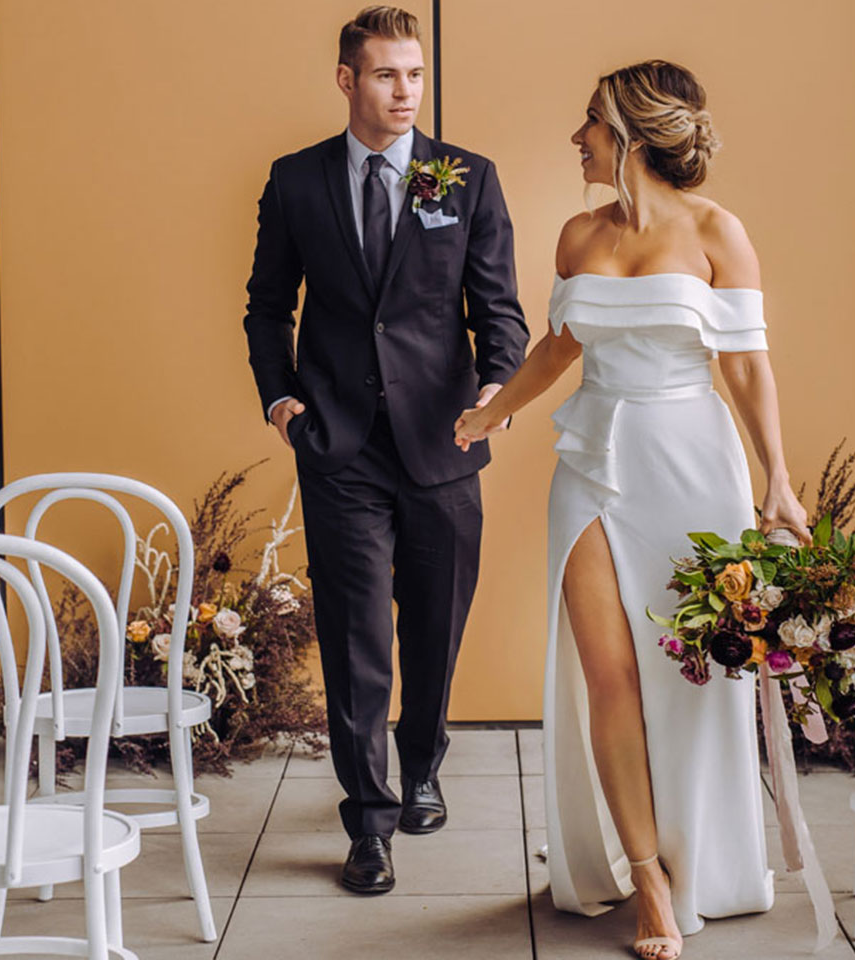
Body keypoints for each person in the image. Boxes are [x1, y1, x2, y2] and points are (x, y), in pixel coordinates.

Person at [454, 60, 810, 960]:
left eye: (590, 124)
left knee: (691, 680)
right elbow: (562, 344)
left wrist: (777, 478)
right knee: (606, 673)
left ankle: (704, 859)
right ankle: (647, 879)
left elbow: (746, 365)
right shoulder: (578, 234)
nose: (577, 138)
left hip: (695, 467)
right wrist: (496, 409)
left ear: (631, 134)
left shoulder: (718, 232)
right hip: (590, 467)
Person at [242, 5, 529, 895]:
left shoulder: (464, 177)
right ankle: (368, 824)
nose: (404, 92)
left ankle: (422, 764)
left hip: (446, 442)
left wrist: (498, 393)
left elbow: (500, 311)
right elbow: (265, 305)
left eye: (414, 75)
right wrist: (284, 402)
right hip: (340, 449)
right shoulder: (296, 181)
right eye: (384, 75)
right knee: (357, 637)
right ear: (345, 80)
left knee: (434, 631)